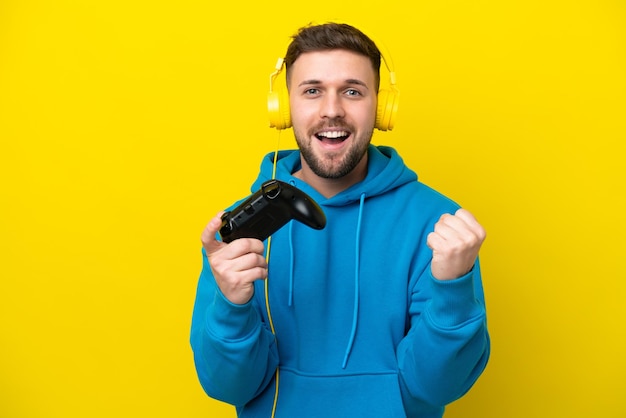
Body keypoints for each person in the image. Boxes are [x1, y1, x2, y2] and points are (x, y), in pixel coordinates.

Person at [190, 22, 490, 418]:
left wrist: (453, 291)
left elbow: (438, 387)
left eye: (352, 91)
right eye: (312, 90)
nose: (332, 110)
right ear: (284, 108)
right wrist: (231, 306)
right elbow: (229, 387)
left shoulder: (438, 224)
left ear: (380, 108)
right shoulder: (244, 230)